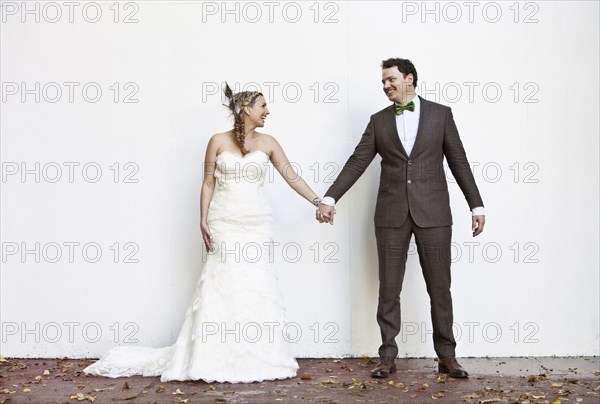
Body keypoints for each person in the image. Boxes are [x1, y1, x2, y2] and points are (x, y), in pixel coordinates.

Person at [84, 84, 324, 383]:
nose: (268, 111)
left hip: (257, 223)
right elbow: (208, 182)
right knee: (222, 284)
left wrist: (319, 202)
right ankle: (212, 358)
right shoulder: (217, 141)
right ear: (246, 109)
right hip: (224, 222)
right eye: (263, 105)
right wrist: (203, 219)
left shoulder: (270, 142)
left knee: (255, 284)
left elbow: (292, 177)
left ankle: (258, 358)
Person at [316, 58, 485, 379]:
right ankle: (387, 356)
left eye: (391, 79)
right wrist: (329, 197)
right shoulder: (379, 121)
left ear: (410, 79)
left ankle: (447, 356)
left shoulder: (440, 115)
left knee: (440, 287)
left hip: (434, 213)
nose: (385, 86)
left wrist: (476, 206)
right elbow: (357, 162)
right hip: (390, 215)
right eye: (383, 82)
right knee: (388, 288)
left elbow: (459, 162)